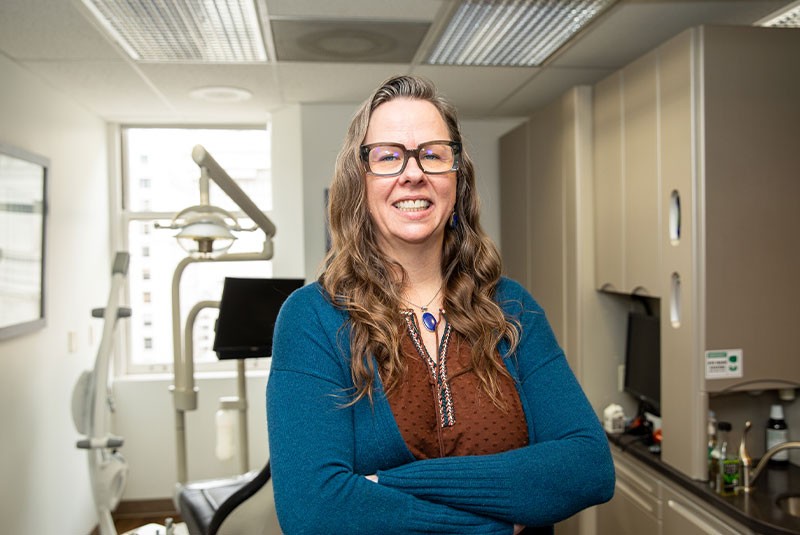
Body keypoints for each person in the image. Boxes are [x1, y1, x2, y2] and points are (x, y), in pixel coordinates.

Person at [266, 74, 614, 534]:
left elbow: (588, 466)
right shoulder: (313, 318)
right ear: (360, 180)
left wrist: (385, 484)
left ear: (457, 179)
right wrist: (494, 524)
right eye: (388, 156)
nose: (413, 173)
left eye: (432, 154)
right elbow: (313, 511)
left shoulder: (511, 309)